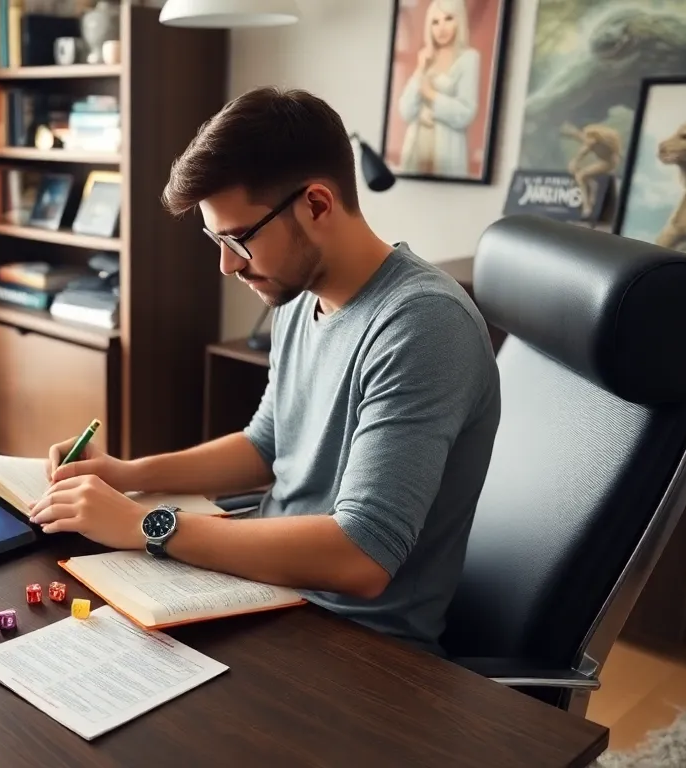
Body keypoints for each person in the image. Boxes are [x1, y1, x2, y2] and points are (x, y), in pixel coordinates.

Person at [30, 86, 501, 654]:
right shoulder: (300, 297)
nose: (227, 264)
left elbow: (362, 556)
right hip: (267, 594)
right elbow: (267, 444)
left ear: (318, 205)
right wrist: (127, 474)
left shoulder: (423, 325)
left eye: (239, 239)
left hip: (357, 645)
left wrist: (146, 524)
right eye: (215, 239)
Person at [396, 0, 480, 177]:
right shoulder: (427, 59)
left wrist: (431, 95)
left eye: (448, 19)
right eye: (435, 22)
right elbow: (405, 111)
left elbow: (465, 113)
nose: (441, 28)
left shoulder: (468, 58)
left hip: (448, 153)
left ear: (459, 20)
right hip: (416, 151)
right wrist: (420, 70)